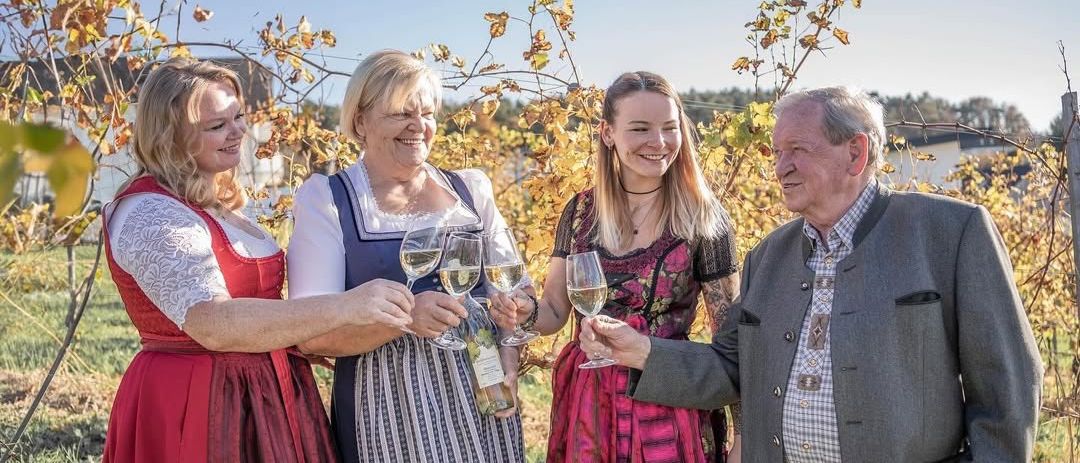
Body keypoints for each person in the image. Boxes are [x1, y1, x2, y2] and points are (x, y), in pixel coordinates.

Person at [581, 86, 1044, 462]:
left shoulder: (950, 233)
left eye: (798, 150)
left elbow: (1007, 390)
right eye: (777, 152)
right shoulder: (769, 255)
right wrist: (641, 351)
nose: (781, 167)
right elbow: (730, 366)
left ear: (856, 153)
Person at [102, 58, 414, 463]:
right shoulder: (150, 211)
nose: (237, 133)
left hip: (266, 390)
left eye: (239, 117)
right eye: (217, 125)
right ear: (169, 135)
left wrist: (299, 335)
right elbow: (212, 323)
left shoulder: (215, 200)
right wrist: (345, 306)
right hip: (199, 397)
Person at [286, 49, 525, 463]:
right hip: (388, 404)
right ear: (360, 121)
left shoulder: (471, 190)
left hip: (480, 388)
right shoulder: (329, 199)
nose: (419, 127)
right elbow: (311, 333)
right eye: (401, 114)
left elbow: (513, 288)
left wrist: (507, 355)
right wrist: (404, 320)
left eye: (428, 113)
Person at [490, 71, 741, 462]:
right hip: (589, 404)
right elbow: (555, 311)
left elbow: (733, 342)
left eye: (669, 128)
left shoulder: (703, 218)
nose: (658, 142)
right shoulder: (580, 213)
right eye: (640, 128)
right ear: (608, 133)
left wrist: (743, 438)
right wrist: (527, 312)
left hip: (669, 401)